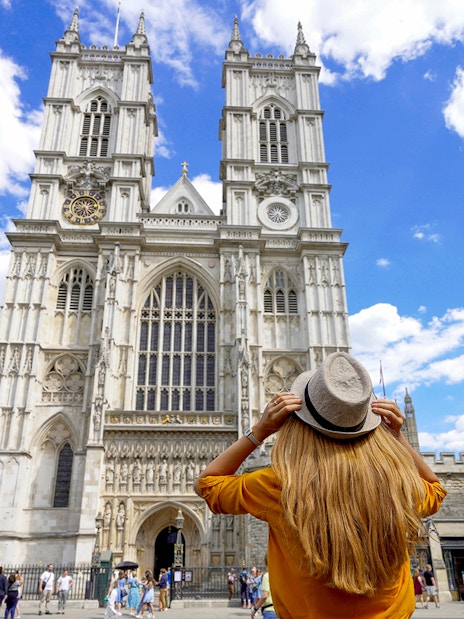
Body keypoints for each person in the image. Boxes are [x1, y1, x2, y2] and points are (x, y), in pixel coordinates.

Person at [195, 352, 447, 619]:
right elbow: (436, 489)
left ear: (300, 421)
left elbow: (208, 484)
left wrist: (260, 430)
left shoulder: (281, 487)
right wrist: (397, 437)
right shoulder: (396, 486)